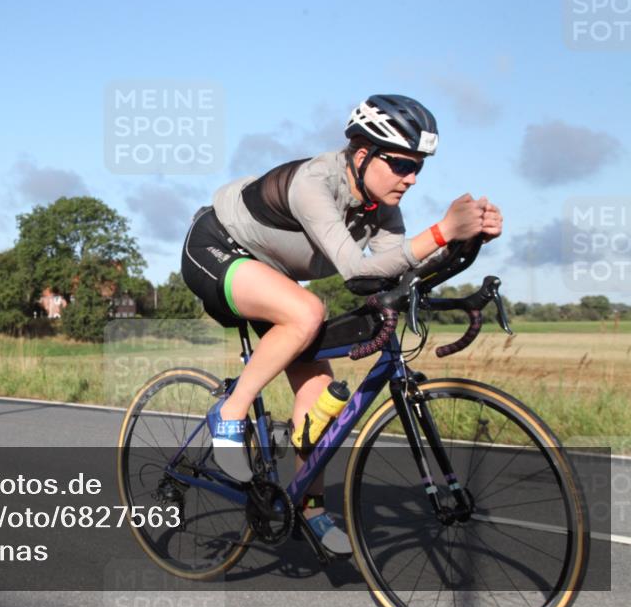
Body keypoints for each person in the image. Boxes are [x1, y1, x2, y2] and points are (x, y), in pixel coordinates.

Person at [180, 94, 503, 555]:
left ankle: (309, 507)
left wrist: (464, 245)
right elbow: (357, 272)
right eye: (399, 164)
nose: (410, 179)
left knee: (320, 407)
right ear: (362, 153)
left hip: (273, 274)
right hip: (217, 247)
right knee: (309, 312)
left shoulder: (381, 209)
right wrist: (442, 230)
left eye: (418, 168)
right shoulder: (314, 182)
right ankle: (229, 412)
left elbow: (394, 268)